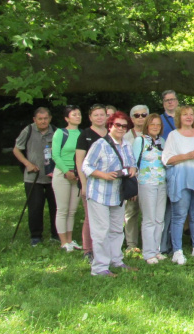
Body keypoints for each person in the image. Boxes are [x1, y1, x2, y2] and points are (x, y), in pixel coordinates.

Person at [81, 111, 137, 277]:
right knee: (101, 231)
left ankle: (116, 260)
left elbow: (131, 163)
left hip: (118, 194)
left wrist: (133, 169)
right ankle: (99, 268)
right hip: (99, 193)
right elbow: (86, 166)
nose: (121, 128)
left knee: (116, 229)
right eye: (117, 125)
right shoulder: (100, 144)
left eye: (124, 126)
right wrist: (103, 175)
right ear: (110, 126)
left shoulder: (126, 144)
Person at [163, 104, 194, 264]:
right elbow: (167, 159)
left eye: (191, 114)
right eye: (185, 114)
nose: (189, 117)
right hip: (181, 179)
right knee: (179, 215)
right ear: (179, 117)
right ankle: (177, 251)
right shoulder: (173, 135)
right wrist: (187, 156)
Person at [12, 107, 57, 246]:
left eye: (45, 118)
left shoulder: (56, 132)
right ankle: (36, 236)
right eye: (40, 119)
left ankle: (56, 235)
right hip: (33, 176)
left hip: (53, 177)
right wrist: (27, 164)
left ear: (50, 118)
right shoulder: (28, 130)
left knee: (56, 207)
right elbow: (16, 149)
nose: (43, 121)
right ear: (34, 119)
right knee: (35, 207)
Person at [75, 104, 108, 261]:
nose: (99, 117)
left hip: (109, 183)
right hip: (90, 182)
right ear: (90, 117)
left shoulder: (111, 134)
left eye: (102, 114)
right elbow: (80, 161)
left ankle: (104, 247)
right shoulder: (85, 135)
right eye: (96, 115)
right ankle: (88, 249)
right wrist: (83, 184)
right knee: (90, 217)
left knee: (107, 217)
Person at [133, 113, 167, 264]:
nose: (155, 127)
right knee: (149, 219)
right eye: (152, 124)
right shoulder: (139, 141)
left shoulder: (163, 141)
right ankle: (148, 253)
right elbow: (133, 164)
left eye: (158, 124)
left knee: (160, 218)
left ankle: (156, 249)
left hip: (162, 183)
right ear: (147, 125)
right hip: (146, 183)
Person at [51, 105, 82, 251]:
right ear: (66, 118)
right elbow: (55, 155)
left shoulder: (82, 133)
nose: (77, 116)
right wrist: (66, 171)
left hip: (77, 175)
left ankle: (70, 240)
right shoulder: (60, 133)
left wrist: (78, 173)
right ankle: (63, 242)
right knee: (62, 209)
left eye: (79, 114)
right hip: (62, 174)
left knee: (72, 210)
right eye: (74, 114)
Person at [123, 104, 149, 255]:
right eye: (137, 115)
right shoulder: (126, 137)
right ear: (132, 119)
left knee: (148, 213)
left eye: (144, 115)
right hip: (133, 180)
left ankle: (148, 243)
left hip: (150, 181)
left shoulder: (153, 134)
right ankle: (131, 244)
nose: (140, 118)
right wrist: (130, 185)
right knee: (131, 213)